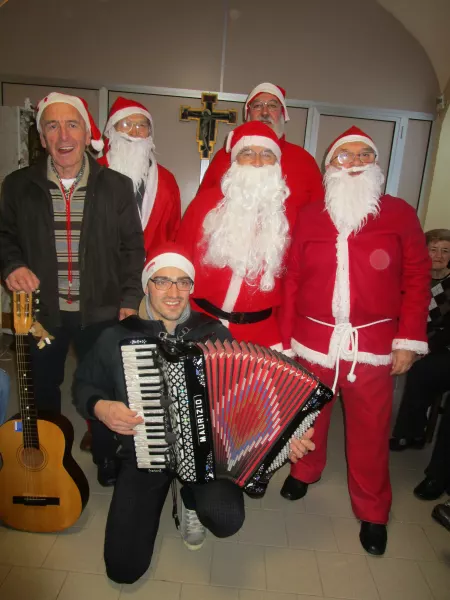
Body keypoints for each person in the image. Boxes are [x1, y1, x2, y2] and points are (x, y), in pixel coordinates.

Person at [73, 244, 313, 584]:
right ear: (146, 285)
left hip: (206, 459)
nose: (173, 292)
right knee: (123, 569)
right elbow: (83, 385)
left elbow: (251, 401)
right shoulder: (117, 337)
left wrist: (287, 438)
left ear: (191, 288)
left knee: (226, 519)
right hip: (146, 457)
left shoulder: (212, 333)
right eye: (162, 281)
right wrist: (101, 407)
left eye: (183, 282)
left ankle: (190, 498)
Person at [279, 126, 430, 555]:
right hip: (313, 340)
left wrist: (408, 339)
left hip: (373, 344)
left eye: (365, 154)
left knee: (369, 431)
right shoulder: (309, 215)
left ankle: (373, 510)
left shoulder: (399, 214)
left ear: (376, 164)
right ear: (330, 165)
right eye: (345, 156)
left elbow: (417, 277)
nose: (355, 162)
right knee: (310, 417)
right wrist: (288, 341)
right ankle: (304, 471)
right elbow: (292, 279)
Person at [0, 92, 145, 486]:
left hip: (100, 312)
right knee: (44, 389)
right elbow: (4, 236)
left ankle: (105, 455)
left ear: (86, 133)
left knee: (103, 387)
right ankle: (50, 457)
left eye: (72, 124)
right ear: (42, 138)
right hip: (43, 314)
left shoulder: (116, 186)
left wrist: (130, 301)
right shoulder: (17, 186)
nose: (63, 135)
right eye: (52, 125)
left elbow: (133, 247)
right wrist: (12, 265)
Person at [177, 121, 296, 350]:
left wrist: (286, 337)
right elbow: (181, 263)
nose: (258, 162)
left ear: (277, 162)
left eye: (267, 154)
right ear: (234, 162)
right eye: (248, 153)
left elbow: (293, 283)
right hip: (201, 327)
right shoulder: (204, 204)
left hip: (261, 337)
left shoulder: (288, 214)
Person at [199, 82, 323, 214]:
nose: (264, 112)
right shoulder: (224, 156)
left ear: (282, 114)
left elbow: (318, 218)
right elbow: (202, 210)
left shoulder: (304, 161)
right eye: (257, 106)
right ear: (248, 114)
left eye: (272, 106)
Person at [390, 229, 450, 457]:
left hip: (438, 342)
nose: (439, 255)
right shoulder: (413, 278)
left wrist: (425, 348)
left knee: (421, 371)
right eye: (433, 249)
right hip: (409, 335)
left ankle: (408, 432)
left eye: (445, 251)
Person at [99, 97, 181, 257]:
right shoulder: (95, 173)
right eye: (125, 124)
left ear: (150, 132)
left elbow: (174, 232)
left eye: (141, 126)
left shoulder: (166, 181)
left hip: (150, 273)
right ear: (112, 129)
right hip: (104, 271)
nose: (134, 132)